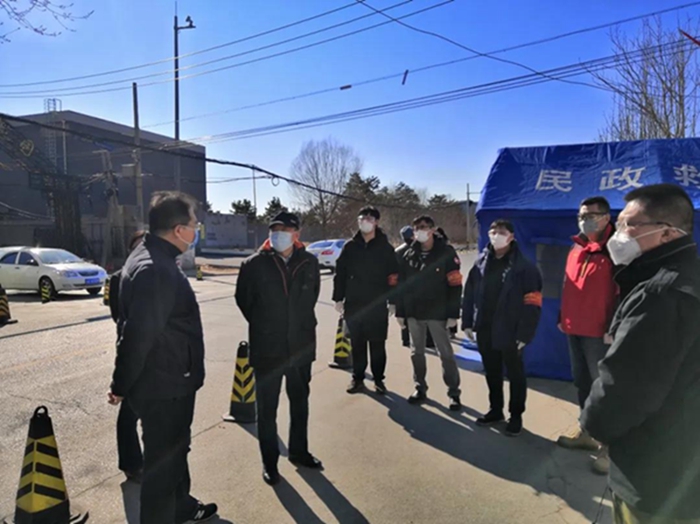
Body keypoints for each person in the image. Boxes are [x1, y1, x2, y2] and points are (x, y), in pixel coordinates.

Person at [582, 184, 700, 524]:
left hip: (654, 470)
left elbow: (624, 387)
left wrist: (594, 423)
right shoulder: (686, 276)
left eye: (628, 224)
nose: (618, 233)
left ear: (666, 233)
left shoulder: (660, 296)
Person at [108, 192, 217, 524]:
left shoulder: (150, 256)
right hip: (165, 387)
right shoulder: (155, 269)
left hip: (167, 380)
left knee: (175, 454)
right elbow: (138, 336)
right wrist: (120, 385)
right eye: (194, 224)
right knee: (162, 469)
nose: (196, 229)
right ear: (179, 229)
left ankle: (182, 507)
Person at [235, 211, 322, 486]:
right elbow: (244, 301)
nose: (278, 234)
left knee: (300, 403)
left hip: (300, 345)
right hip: (267, 348)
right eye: (274, 229)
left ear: (296, 233)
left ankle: (299, 451)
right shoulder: (253, 264)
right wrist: (266, 324)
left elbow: (311, 298)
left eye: (284, 230)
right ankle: (270, 463)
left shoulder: (309, 262)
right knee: (267, 410)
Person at [461, 220, 542, 437]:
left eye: (502, 232)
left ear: (512, 236)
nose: (496, 235)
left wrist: (525, 333)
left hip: (511, 329)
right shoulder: (481, 262)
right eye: (493, 231)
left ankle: (516, 416)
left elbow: (533, 302)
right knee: (492, 372)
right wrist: (467, 321)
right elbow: (469, 294)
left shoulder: (524, 267)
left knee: (515, 374)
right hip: (485, 327)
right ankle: (496, 410)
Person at [556, 197, 617, 475]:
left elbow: (625, 291)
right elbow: (568, 285)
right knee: (582, 384)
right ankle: (587, 433)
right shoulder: (576, 247)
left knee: (604, 390)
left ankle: (610, 447)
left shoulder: (617, 249)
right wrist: (562, 316)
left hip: (600, 333)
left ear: (606, 217)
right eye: (582, 215)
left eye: (591, 215)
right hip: (574, 327)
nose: (585, 220)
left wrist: (614, 327)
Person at [396, 215, 463, 410]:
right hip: (414, 312)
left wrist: (453, 313)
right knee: (416, 353)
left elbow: (455, 285)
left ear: (433, 230)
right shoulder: (408, 254)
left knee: (446, 354)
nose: (420, 231)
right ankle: (420, 388)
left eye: (424, 227)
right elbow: (401, 285)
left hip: (438, 312)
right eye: (417, 228)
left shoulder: (446, 253)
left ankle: (453, 392)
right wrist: (400, 311)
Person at [333, 207, 399, 394]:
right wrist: (338, 297)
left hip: (377, 303)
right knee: (357, 344)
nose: (365, 221)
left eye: (369, 218)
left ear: (376, 222)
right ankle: (358, 379)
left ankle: (379, 380)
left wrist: (393, 299)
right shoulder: (350, 247)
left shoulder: (385, 248)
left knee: (377, 344)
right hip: (354, 303)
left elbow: (393, 276)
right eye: (362, 218)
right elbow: (340, 273)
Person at [108, 230, 147, 483]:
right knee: (129, 414)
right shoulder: (118, 279)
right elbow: (119, 317)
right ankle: (132, 464)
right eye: (138, 246)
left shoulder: (160, 273)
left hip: (160, 357)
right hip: (133, 352)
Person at [395, 226, 414, 348]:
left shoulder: (398, 251)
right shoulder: (418, 249)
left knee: (403, 314)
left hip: (402, 286)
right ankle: (427, 340)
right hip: (415, 286)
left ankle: (405, 339)